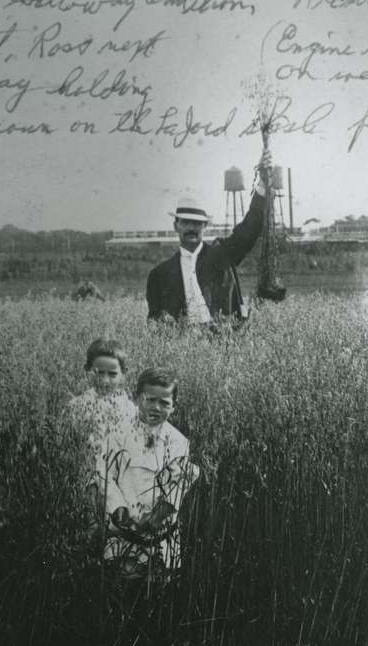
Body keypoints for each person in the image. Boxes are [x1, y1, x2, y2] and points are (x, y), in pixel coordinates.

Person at [88, 368, 199, 579]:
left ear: (174, 406)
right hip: (122, 527)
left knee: (156, 584)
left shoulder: (177, 442)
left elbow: (179, 484)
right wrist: (118, 508)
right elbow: (103, 473)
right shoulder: (118, 434)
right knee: (121, 580)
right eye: (150, 399)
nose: (156, 407)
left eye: (164, 403)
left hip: (158, 532)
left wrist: (157, 517)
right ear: (137, 398)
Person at [145, 147, 273, 327]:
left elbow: (249, 230)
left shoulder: (222, 255)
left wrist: (262, 185)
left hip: (224, 340)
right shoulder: (159, 275)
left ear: (205, 226)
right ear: (176, 226)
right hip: (183, 343)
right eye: (186, 222)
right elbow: (154, 322)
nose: (191, 228)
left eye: (197, 223)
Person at [65, 338, 135, 441]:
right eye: (99, 372)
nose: (105, 380)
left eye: (112, 374)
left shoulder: (129, 408)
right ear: (87, 370)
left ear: (123, 373)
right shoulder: (76, 406)